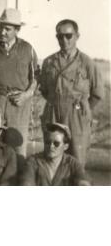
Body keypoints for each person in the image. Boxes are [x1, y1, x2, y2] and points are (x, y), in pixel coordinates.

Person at [39, 19, 103, 167]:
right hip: (53, 113)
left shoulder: (87, 63)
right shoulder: (49, 62)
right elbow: (44, 90)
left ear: (77, 36)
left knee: (76, 159)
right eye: (60, 36)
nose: (64, 40)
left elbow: (98, 93)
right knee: (52, 157)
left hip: (76, 116)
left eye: (68, 36)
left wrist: (83, 109)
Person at [0, 8, 38, 161]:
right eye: (1, 27)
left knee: (17, 146)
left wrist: (27, 94)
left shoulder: (27, 49)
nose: (2, 32)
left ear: (17, 30)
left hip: (18, 105)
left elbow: (36, 78)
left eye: (7, 29)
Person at [21, 123, 90, 186]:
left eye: (56, 143)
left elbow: (83, 179)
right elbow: (27, 181)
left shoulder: (73, 164)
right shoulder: (33, 161)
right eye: (48, 142)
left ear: (65, 146)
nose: (51, 146)